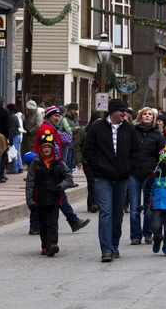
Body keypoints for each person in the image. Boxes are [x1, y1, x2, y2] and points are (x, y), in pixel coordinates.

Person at [83, 98, 141, 262]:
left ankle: (114, 245)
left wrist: (129, 168)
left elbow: (136, 151)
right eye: (121, 110)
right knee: (106, 212)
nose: (124, 114)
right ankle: (106, 249)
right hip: (103, 178)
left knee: (117, 214)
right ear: (112, 111)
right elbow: (88, 150)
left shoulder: (129, 130)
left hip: (122, 178)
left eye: (125, 111)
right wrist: (98, 167)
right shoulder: (97, 128)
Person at [33, 106, 89, 235]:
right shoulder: (46, 129)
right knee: (55, 195)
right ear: (48, 116)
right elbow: (47, 150)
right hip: (47, 166)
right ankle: (72, 221)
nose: (57, 118)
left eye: (58, 116)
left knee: (54, 195)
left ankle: (72, 221)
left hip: (51, 166)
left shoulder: (50, 128)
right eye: (55, 116)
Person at [26, 132, 75, 257]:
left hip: (54, 198)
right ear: (41, 149)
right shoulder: (35, 164)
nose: (46, 149)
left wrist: (62, 186)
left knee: (52, 222)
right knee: (43, 223)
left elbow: (68, 177)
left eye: (49, 147)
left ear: (53, 148)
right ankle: (45, 246)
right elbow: (30, 182)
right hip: (40, 199)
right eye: (44, 147)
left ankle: (53, 244)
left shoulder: (58, 163)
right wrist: (30, 200)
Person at [128, 107, 165, 245]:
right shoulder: (133, 131)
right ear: (140, 116)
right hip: (134, 173)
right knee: (134, 207)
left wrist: (158, 170)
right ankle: (135, 236)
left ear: (153, 118)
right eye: (145, 114)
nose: (147, 116)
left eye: (150, 114)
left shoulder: (157, 135)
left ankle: (148, 232)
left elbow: (161, 155)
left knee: (149, 206)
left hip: (150, 174)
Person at [74, 111, 101, 213]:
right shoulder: (83, 131)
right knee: (91, 181)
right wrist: (78, 160)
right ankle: (92, 204)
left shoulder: (102, 131)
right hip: (87, 162)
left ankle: (96, 202)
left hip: (100, 162)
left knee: (98, 182)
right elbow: (77, 146)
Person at [6, 103, 23, 174]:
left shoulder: (10, 116)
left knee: (13, 152)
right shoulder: (15, 116)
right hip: (17, 134)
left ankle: (14, 168)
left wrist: (10, 138)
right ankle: (19, 166)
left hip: (14, 135)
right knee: (17, 152)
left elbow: (11, 129)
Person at [65, 103, 81, 171]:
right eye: (75, 109)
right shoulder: (65, 118)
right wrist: (75, 129)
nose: (76, 111)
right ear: (70, 109)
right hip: (68, 141)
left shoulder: (75, 118)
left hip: (74, 142)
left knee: (72, 163)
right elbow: (65, 129)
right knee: (68, 161)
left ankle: (70, 178)